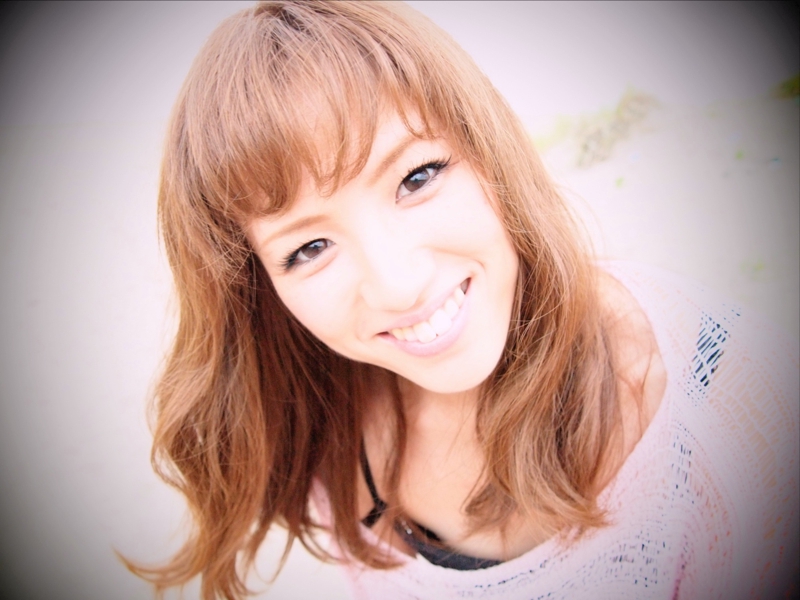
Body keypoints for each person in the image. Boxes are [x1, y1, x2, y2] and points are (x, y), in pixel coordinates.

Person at [130, 1, 799, 598]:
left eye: (417, 177)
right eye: (309, 249)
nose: (397, 283)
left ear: (488, 151)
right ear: (260, 291)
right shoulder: (320, 431)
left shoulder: (725, 400)